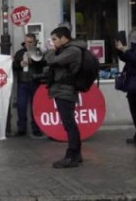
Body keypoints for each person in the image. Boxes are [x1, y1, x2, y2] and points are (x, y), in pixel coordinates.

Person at [44, 27, 86, 168]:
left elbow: (54, 62)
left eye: (55, 39)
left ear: (63, 38)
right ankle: (77, 154)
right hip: (61, 90)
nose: (53, 42)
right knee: (69, 124)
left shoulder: (72, 50)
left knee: (69, 125)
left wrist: (50, 51)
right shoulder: (66, 49)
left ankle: (71, 156)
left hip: (65, 90)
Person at [11, 34, 44, 138]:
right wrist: (19, 64)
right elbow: (14, 66)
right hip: (23, 82)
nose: (28, 44)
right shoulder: (20, 53)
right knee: (21, 106)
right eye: (26, 42)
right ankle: (22, 128)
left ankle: (36, 128)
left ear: (34, 42)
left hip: (35, 81)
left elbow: (43, 64)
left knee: (35, 107)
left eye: (30, 42)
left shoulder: (38, 52)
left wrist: (33, 61)